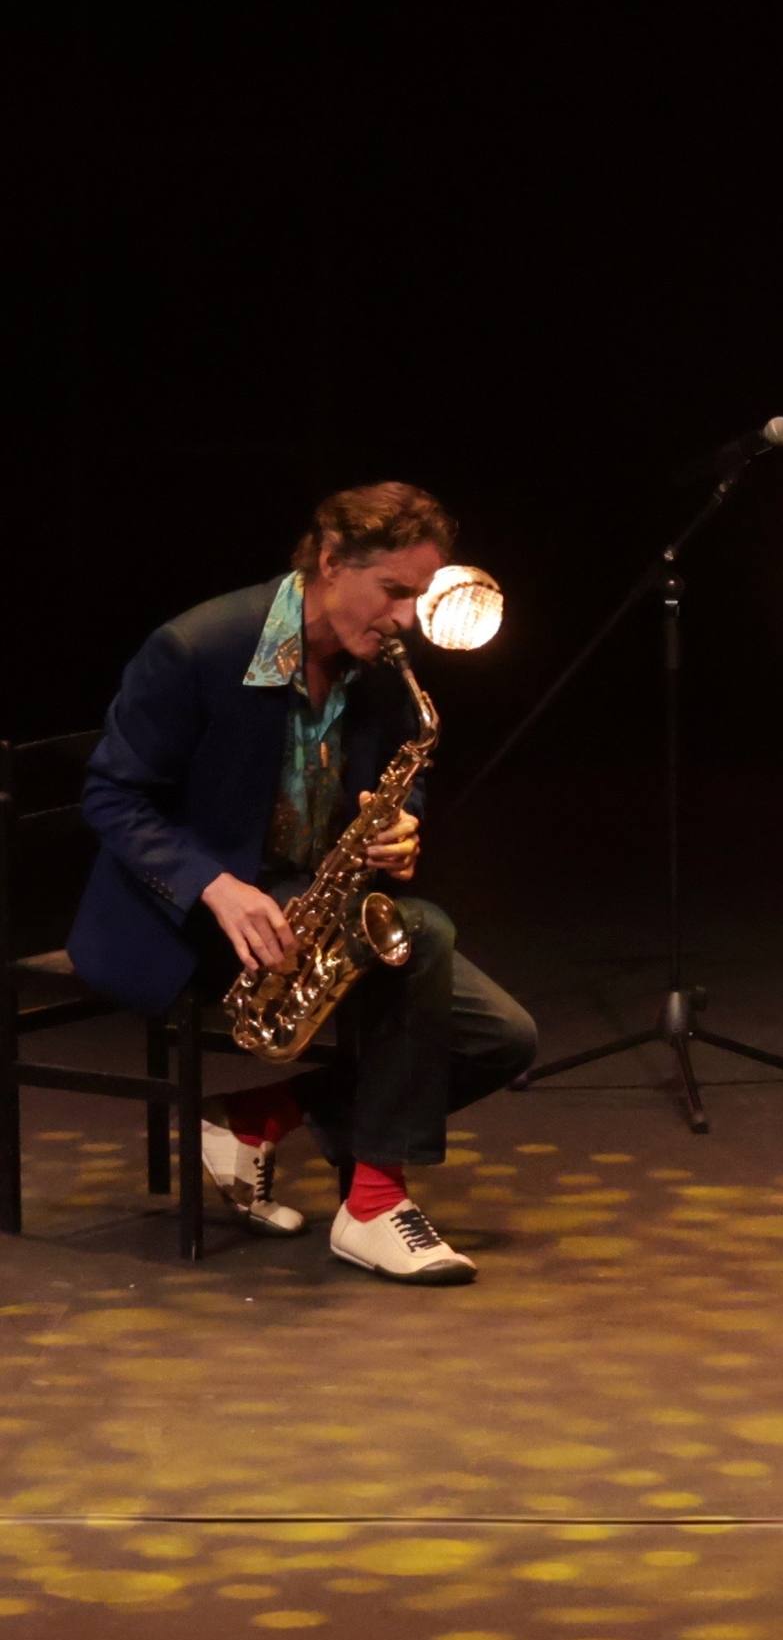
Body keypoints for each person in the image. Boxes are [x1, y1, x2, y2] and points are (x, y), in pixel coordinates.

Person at [68, 482, 537, 1283]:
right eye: (394, 591)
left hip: (300, 897)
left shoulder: (382, 659)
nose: (406, 619)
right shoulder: (198, 648)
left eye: (418, 597)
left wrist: (400, 827)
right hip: (185, 909)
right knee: (419, 935)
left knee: (503, 1039)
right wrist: (213, 883)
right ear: (329, 562)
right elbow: (111, 794)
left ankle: (260, 1115)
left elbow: (399, 777)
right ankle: (375, 1205)